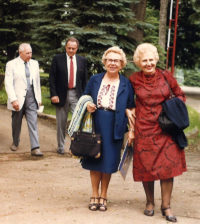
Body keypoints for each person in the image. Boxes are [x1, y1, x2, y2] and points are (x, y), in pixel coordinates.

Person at [129, 43, 187, 222]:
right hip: (144, 128)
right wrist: (128, 111)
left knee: (167, 168)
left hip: (166, 128)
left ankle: (166, 206)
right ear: (139, 62)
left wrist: (172, 110)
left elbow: (180, 95)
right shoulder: (133, 79)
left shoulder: (166, 76)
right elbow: (126, 101)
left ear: (156, 59)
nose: (148, 63)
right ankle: (149, 203)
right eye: (144, 60)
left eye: (151, 60)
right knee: (147, 167)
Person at [82, 46, 135, 211]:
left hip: (115, 124)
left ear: (122, 64)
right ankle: (94, 194)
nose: (113, 63)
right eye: (110, 60)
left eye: (116, 61)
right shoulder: (95, 80)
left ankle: (104, 195)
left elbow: (131, 107)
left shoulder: (126, 83)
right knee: (94, 159)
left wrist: (132, 129)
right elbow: (85, 98)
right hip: (96, 122)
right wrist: (88, 104)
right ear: (104, 62)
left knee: (109, 162)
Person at [49, 37, 88, 154]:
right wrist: (54, 94)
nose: (71, 50)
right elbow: (52, 78)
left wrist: (85, 97)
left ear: (77, 48)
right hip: (61, 95)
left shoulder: (82, 61)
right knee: (61, 123)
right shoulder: (57, 59)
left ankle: (76, 146)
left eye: (73, 48)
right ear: (65, 47)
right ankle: (61, 147)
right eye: (69, 48)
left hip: (77, 94)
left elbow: (85, 80)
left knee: (79, 121)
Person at [4, 43, 43, 156]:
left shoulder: (35, 64)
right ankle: (15, 142)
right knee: (16, 122)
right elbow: (8, 83)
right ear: (20, 53)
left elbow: (37, 83)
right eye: (27, 53)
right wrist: (13, 99)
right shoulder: (11, 64)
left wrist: (38, 99)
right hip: (18, 98)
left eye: (31, 53)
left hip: (31, 98)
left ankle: (35, 147)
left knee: (33, 122)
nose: (30, 55)